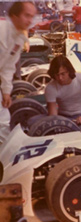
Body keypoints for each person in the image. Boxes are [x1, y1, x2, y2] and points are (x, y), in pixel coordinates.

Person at [0, 1, 36, 144]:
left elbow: (8, 67)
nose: (30, 20)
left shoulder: (19, 39)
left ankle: (4, 158)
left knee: (3, 121)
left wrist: (7, 91)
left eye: (32, 16)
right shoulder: (1, 30)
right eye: (27, 15)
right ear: (14, 16)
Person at [45, 55, 81, 130]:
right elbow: (53, 115)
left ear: (69, 71)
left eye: (63, 74)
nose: (60, 78)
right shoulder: (50, 87)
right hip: (62, 117)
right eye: (57, 75)